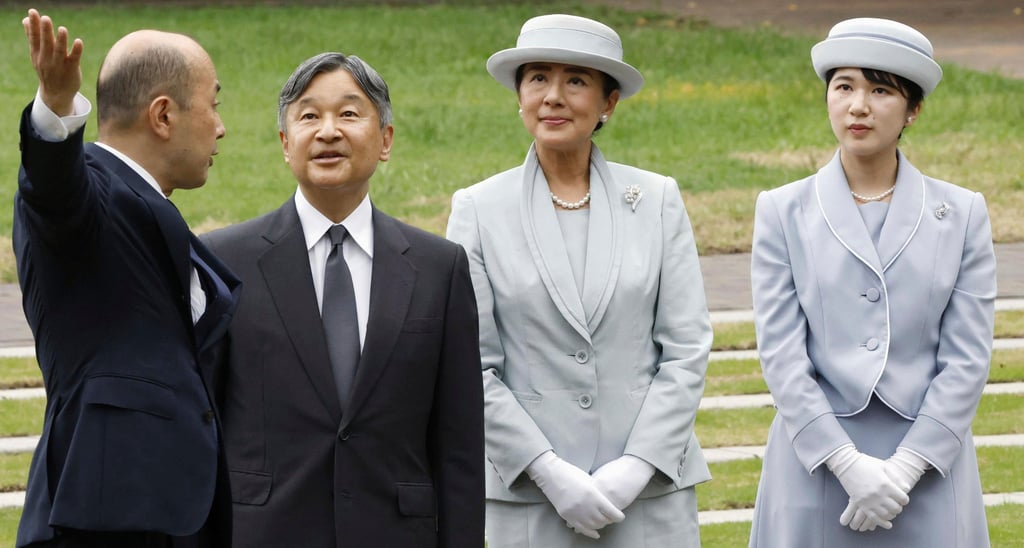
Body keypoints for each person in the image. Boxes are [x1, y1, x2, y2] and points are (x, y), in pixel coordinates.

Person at [446, 13, 713, 547]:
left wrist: (636, 467)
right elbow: (470, 366)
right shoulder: (477, 209)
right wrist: (548, 471)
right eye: (538, 78)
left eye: (576, 81)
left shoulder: (657, 200)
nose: (553, 96)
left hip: (650, 499)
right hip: (528, 500)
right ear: (519, 95)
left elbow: (686, 349)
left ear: (608, 102)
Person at [200, 52, 484, 547]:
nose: (328, 131)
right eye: (309, 116)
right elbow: (204, 422)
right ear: (286, 144)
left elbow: (459, 444)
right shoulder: (224, 261)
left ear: (386, 140)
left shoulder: (440, 267)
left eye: (349, 114)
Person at [748, 17, 994, 547]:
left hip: (929, 466)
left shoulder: (963, 213)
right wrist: (844, 463)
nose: (858, 106)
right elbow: (782, 355)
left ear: (913, 110)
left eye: (880, 90)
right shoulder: (781, 211)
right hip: (814, 464)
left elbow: (968, 357)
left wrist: (906, 468)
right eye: (844, 87)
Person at [13, 8, 241, 548]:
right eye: (214, 105)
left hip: (174, 517)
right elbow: (52, 189)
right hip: (102, 517)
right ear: (163, 116)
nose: (221, 126)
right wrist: (55, 109)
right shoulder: (88, 197)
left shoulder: (153, 207)